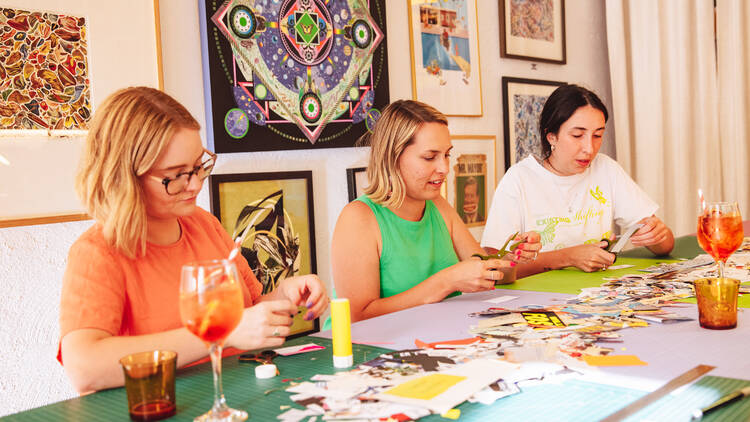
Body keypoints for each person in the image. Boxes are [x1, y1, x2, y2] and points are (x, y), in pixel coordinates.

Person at [59, 87, 329, 393]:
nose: (196, 183)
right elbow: (84, 367)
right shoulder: (98, 253)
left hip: (234, 397)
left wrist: (283, 296)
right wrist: (217, 334)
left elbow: (244, 312)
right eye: (176, 175)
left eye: (199, 166)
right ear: (126, 177)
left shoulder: (204, 225)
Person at [330, 100, 541, 324]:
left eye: (447, 155)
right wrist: (446, 282)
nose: (444, 168)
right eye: (430, 157)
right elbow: (356, 317)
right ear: (392, 158)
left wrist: (508, 256)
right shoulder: (358, 218)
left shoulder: (438, 205)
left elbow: (491, 276)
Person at [481, 84, 674, 276]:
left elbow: (665, 246)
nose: (589, 148)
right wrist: (568, 257)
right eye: (577, 135)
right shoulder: (519, 180)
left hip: (599, 295)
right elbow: (497, 267)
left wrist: (657, 235)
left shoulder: (606, 169)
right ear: (551, 136)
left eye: (598, 135)